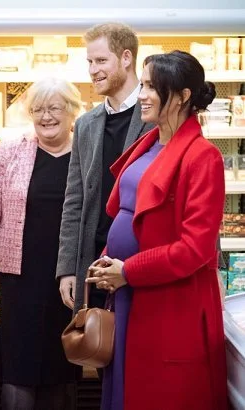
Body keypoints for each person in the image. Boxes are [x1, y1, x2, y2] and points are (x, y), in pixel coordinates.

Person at [86, 50, 228, 410]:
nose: (143, 94)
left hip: (168, 303)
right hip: (129, 295)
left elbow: (195, 249)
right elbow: (126, 214)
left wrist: (128, 271)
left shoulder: (203, 156)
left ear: (181, 96)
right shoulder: (149, 143)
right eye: (144, 85)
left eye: (152, 87)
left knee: (160, 393)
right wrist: (108, 263)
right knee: (125, 390)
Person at [0, 78, 83, 410]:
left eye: (54, 108)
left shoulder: (86, 151)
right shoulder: (13, 147)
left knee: (63, 357)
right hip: (20, 273)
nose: (46, 117)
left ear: (71, 111)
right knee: (20, 357)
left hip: (68, 274)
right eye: (38, 109)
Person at [57, 23, 153, 313]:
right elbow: (74, 200)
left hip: (141, 262)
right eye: (89, 61)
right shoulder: (86, 125)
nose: (92, 69)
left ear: (126, 58)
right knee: (101, 352)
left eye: (100, 61)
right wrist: (68, 268)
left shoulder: (156, 116)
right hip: (96, 263)